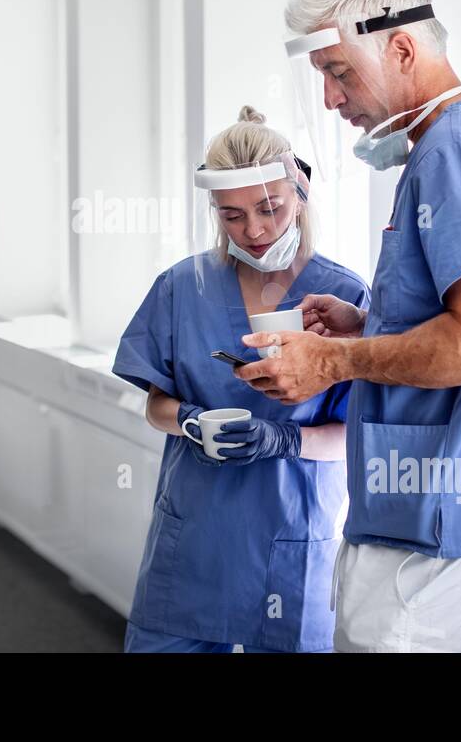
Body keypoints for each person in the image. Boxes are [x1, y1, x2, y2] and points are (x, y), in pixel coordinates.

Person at [239, 0, 461, 652]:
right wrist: (371, 325)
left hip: (442, 518)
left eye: (338, 71)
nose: (327, 98)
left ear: (403, 47)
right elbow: (457, 321)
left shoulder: (457, 153)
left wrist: (335, 361)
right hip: (418, 508)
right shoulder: (442, 151)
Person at [111, 106, 369, 653]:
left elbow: (359, 437)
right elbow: (155, 405)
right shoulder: (182, 287)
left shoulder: (345, 298)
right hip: (192, 547)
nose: (253, 231)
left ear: (300, 195)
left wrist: (284, 438)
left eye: (270, 208)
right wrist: (187, 419)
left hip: (289, 546)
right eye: (231, 216)